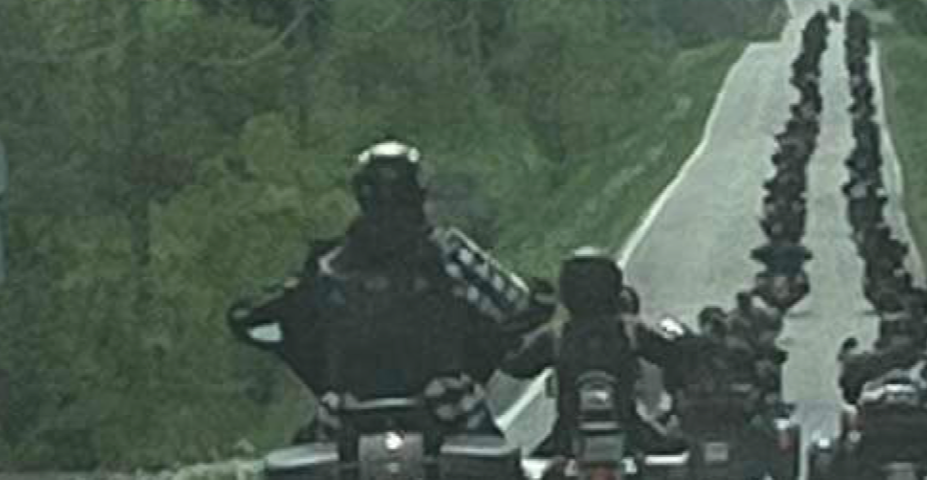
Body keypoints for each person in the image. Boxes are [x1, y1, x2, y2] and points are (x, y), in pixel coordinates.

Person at [228, 139, 551, 436]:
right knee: (501, 470)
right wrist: (532, 302)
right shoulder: (449, 252)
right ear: (418, 194)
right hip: (448, 411)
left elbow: (286, 315)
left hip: (344, 418)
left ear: (361, 195)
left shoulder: (329, 264)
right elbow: (514, 303)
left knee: (300, 468)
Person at [497, 249, 694, 458]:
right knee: (679, 456)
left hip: (568, 438)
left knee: (528, 470)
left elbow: (518, 367)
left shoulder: (556, 335)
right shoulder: (630, 330)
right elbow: (674, 356)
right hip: (629, 432)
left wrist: (509, 331)